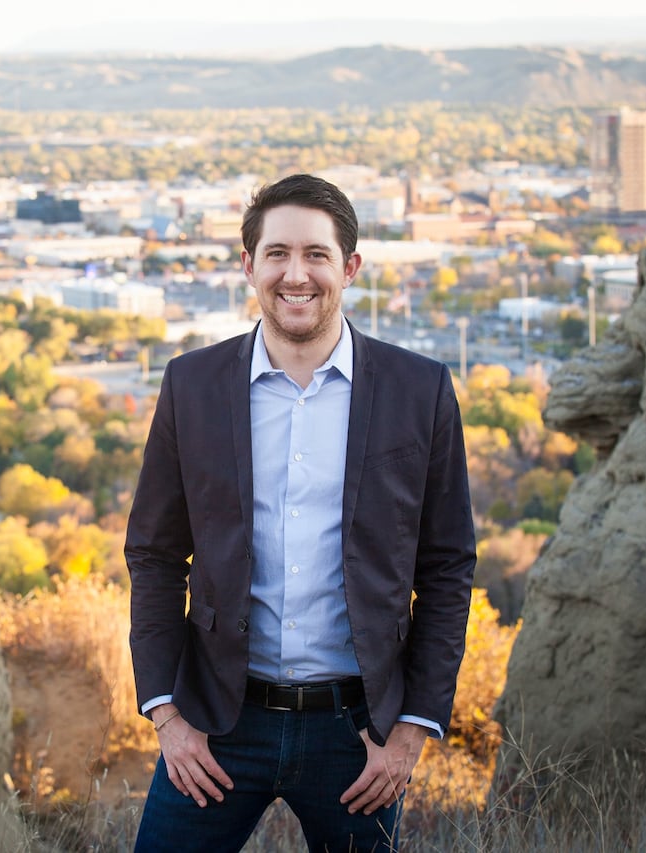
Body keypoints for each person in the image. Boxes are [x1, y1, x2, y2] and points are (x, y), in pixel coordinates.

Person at [126, 173, 476, 852]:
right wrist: (168, 715)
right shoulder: (191, 386)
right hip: (217, 722)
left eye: (316, 254)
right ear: (249, 265)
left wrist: (410, 731)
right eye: (277, 253)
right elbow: (155, 554)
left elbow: (447, 565)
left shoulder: (420, 391)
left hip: (359, 735)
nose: (296, 274)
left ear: (349, 267)